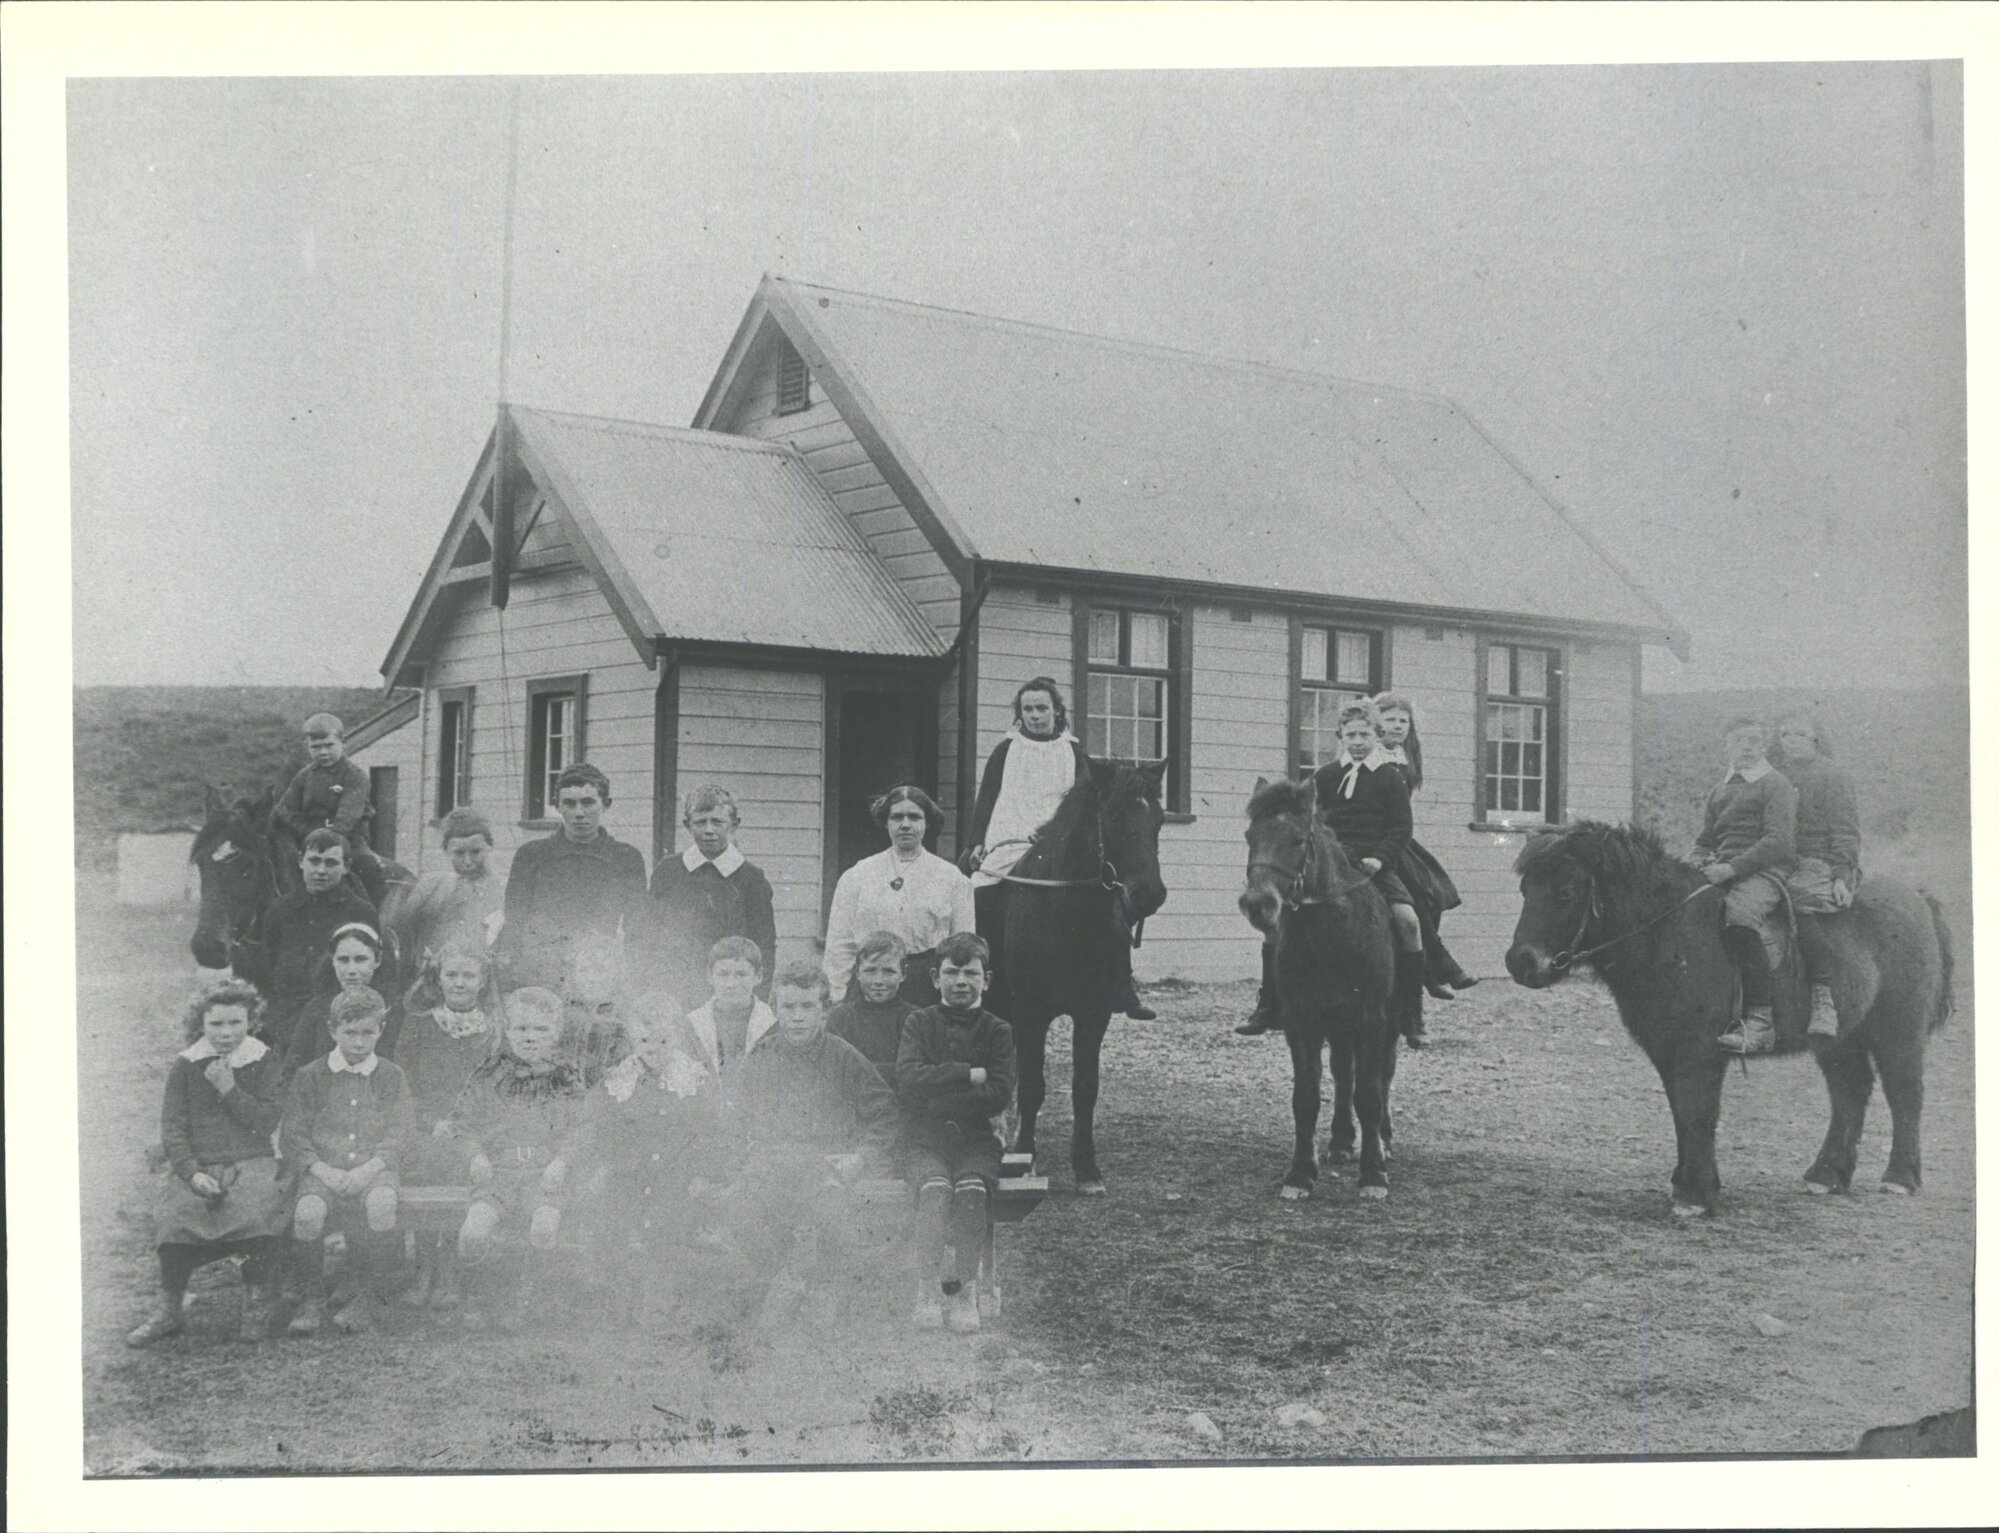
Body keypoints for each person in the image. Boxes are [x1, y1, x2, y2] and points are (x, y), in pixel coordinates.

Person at [962, 676, 1156, 1020]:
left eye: (1042, 708)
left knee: (1108, 900)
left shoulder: (1073, 751)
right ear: (1019, 714)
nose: (1035, 716)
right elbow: (988, 796)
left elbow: (1084, 804)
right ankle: (989, 983)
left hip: (1059, 844)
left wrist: (1053, 832)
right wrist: (976, 841)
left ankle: (1120, 983)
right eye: (1028, 709)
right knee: (981, 897)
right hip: (1010, 837)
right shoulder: (1006, 750)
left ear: (1057, 711)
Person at [717, 960, 898, 1323]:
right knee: (740, 1209)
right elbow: (734, 1120)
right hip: (771, 1163)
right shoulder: (761, 1058)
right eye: (788, 1007)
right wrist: (738, 1161)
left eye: (807, 1007)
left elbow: (886, 1115)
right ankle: (784, 1275)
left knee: (833, 1211)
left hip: (825, 1165)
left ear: (824, 1010)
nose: (797, 1017)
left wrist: (861, 1159)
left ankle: (821, 1284)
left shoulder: (842, 1056)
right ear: (777, 1009)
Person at [1238, 700, 1426, 1043]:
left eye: (1364, 734)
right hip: (1329, 860)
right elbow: (1306, 821)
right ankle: (1268, 1006)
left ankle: (1411, 1013)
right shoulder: (1324, 776)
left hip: (1372, 861)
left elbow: (1401, 828)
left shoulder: (1389, 778)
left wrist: (1379, 859)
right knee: (1276, 922)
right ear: (1340, 737)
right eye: (1350, 735)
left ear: (1377, 735)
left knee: (1408, 921)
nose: (1357, 741)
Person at [127, 978, 290, 1347]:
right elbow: (173, 1129)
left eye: (236, 1022)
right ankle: (170, 1311)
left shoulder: (264, 1059)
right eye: (216, 1024)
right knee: (175, 1219)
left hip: (252, 1161)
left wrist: (228, 1089)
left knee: (257, 1214)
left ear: (251, 1021)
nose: (226, 1032)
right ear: (201, 1025)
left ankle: (256, 1306)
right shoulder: (186, 1066)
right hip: (200, 1165)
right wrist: (192, 1173)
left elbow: (266, 1121)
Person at [895, 932, 1017, 1335]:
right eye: (952, 972)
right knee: (932, 1189)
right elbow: (909, 1080)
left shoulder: (997, 1030)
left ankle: (963, 1289)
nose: (961, 982)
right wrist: (967, 1075)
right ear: (934, 978)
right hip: (924, 1138)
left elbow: (999, 1092)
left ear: (987, 980)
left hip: (976, 1139)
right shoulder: (919, 1022)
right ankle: (927, 1289)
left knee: (970, 1192)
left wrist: (939, 1095)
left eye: (971, 973)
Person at [451, 987, 594, 1331]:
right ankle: (478, 1295)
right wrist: (475, 1157)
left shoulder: (566, 1077)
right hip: (498, 1172)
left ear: (556, 1032)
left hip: (544, 1174)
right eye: (522, 1029)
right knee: (474, 1229)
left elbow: (583, 1127)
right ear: (507, 1029)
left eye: (540, 1030)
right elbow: (462, 1125)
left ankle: (527, 1297)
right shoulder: (488, 1075)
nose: (530, 1037)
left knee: (544, 1226)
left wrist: (562, 1162)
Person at [279, 986, 414, 1337]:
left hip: (375, 1169)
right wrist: (321, 1169)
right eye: (350, 1032)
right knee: (308, 1213)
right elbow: (294, 1135)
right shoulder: (310, 1076)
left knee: (382, 1204)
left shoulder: (390, 1076)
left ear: (380, 1031)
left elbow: (400, 1133)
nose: (358, 1042)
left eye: (368, 1032)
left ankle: (368, 1292)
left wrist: (370, 1168)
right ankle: (311, 1295)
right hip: (323, 1170)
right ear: (332, 1030)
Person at [395, 941, 505, 1312]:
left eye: (469, 976)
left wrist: (463, 1127)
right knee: (427, 1163)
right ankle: (428, 1267)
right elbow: (402, 1086)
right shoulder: (418, 1026)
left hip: (475, 1132)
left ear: (483, 981)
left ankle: (455, 1272)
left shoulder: (494, 1032)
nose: (460, 983)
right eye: (452, 975)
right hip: (427, 1128)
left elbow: (497, 1089)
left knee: (469, 1167)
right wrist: (430, 1121)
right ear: (438, 979)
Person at [595, 996, 712, 1327]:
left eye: (663, 1041)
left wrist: (699, 1173)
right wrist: (611, 1163)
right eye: (644, 1041)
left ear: (678, 1039)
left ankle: (659, 1300)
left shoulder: (692, 1078)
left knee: (667, 1232)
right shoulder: (620, 1078)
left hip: (677, 1175)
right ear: (633, 1040)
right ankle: (620, 1299)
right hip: (630, 1172)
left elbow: (709, 1132)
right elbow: (602, 1127)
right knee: (619, 1227)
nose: (653, 1048)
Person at [1693, 716, 1800, 1056]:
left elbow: (1779, 840)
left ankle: (1760, 1022)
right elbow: (1706, 839)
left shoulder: (1775, 784)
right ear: (1727, 746)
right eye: (1739, 740)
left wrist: (1732, 868)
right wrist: (1694, 861)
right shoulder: (1719, 789)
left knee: (1738, 917)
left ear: (1765, 746)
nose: (1747, 747)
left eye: (1755, 740)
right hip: (1723, 868)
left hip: (1765, 872)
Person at [498, 763, 648, 990]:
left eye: (588, 802)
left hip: (598, 974)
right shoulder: (531, 855)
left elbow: (637, 929)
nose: (579, 813)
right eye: (569, 803)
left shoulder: (626, 858)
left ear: (605, 805)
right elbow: (515, 921)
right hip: (542, 973)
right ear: (558, 806)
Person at [823, 785, 975, 1006]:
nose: (905, 824)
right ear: (886, 822)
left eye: (914, 817)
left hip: (925, 988)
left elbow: (963, 947)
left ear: (927, 823)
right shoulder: (858, 875)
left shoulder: (951, 878)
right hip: (870, 984)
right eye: (896, 817)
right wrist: (835, 995)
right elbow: (840, 943)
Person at [1373, 692, 1478, 1010]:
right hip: (1376, 838)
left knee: (1435, 890)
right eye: (1390, 720)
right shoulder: (1372, 756)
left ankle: (1426, 968)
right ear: (1377, 724)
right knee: (1415, 891)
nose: (1398, 726)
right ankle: (1439, 967)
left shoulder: (1405, 757)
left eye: (1403, 721)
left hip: (1399, 837)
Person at [239, 828, 379, 1061]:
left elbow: (373, 974)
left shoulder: (361, 911)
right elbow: (268, 969)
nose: (321, 871)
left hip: (338, 1028)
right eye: (314, 861)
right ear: (300, 862)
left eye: (331, 863)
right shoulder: (278, 911)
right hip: (285, 1026)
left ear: (346, 866)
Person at [1773, 709, 1863, 1040]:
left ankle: (1823, 998)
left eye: (1800, 733)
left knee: (1796, 900)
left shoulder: (1832, 775)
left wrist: (1842, 874)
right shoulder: (1773, 775)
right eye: (1785, 734)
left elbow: (1846, 831)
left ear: (1816, 739)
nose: (1791, 740)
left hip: (1820, 861)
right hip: (1777, 860)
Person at [648, 785, 778, 1003]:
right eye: (700, 822)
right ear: (687, 825)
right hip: (674, 990)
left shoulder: (751, 879)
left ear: (734, 825)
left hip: (730, 993)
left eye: (717, 822)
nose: (709, 830)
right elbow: (650, 934)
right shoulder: (667, 871)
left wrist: (757, 1004)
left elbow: (763, 947)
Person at [271, 712, 387, 908]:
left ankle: (374, 919)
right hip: (306, 837)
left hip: (349, 838)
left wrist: (320, 833)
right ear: (307, 747)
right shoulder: (304, 776)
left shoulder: (355, 776)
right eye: (316, 747)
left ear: (343, 742)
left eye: (329, 745)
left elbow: (346, 819)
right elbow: (283, 810)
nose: (323, 752)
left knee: (367, 867)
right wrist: (304, 829)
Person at [281, 922, 399, 1078]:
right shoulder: (317, 1008)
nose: (351, 970)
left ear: (377, 961)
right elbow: (293, 1072)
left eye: (360, 960)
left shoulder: (394, 1009)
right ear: (333, 962)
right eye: (343, 960)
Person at [391, 807, 505, 963]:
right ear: (446, 851)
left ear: (489, 847)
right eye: (459, 853)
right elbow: (401, 933)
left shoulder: (506, 890)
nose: (468, 861)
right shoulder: (431, 888)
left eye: (476, 852)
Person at [826, 931, 918, 1085]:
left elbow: (911, 1072)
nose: (878, 981)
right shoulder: (840, 1017)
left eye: (888, 971)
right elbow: (833, 1068)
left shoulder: (915, 1018)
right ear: (857, 973)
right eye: (870, 971)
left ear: (903, 974)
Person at [559, 932, 647, 1088]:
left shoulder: (628, 1020)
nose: (591, 979)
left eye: (600, 970)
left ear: (618, 973)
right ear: (572, 974)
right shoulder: (562, 1016)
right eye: (583, 970)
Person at [683, 936, 776, 1077]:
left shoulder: (771, 1022)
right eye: (723, 974)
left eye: (741, 974)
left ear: (758, 976)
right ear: (709, 976)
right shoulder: (693, 1023)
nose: (731, 984)